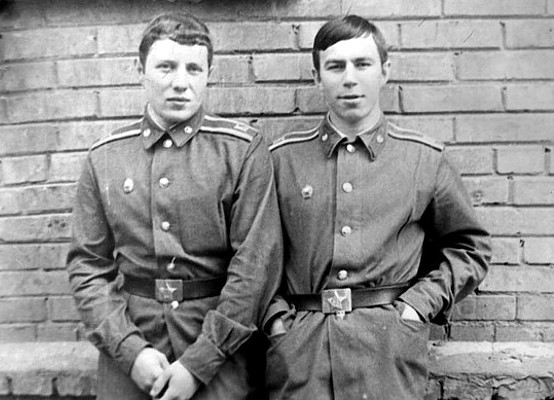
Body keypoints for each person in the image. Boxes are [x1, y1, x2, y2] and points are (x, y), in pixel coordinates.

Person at [264, 15, 491, 400]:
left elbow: (470, 248)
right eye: (335, 66)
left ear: (385, 71)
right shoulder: (281, 161)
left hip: (388, 353)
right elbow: (256, 255)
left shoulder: (423, 159)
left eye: (362, 64)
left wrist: (418, 305)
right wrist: (276, 321)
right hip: (302, 355)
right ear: (317, 77)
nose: (349, 79)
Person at [67, 12, 282, 400]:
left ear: (208, 74)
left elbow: (255, 268)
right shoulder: (105, 157)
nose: (181, 82)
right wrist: (130, 351)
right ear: (140, 71)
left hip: (217, 347)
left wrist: (201, 362)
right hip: (132, 344)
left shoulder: (240, 151)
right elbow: (88, 266)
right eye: (166, 67)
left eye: (194, 69)